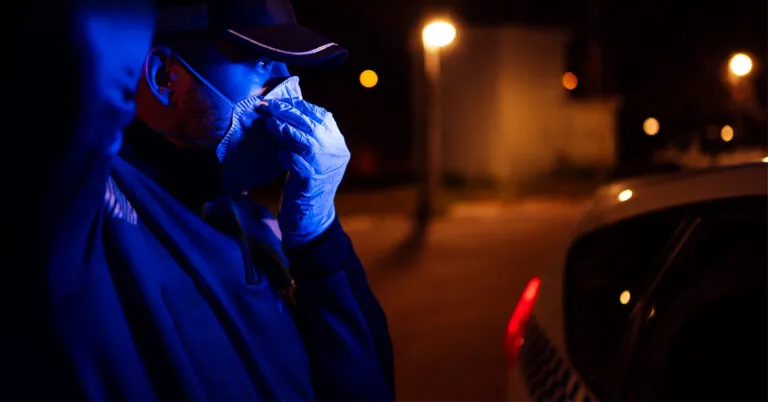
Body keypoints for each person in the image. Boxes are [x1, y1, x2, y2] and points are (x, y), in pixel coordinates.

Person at [1, 0, 393, 400]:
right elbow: (87, 42)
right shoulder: (80, 214)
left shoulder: (255, 226)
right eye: (261, 62)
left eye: (287, 66)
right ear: (163, 77)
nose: (287, 85)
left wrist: (318, 239)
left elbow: (368, 386)